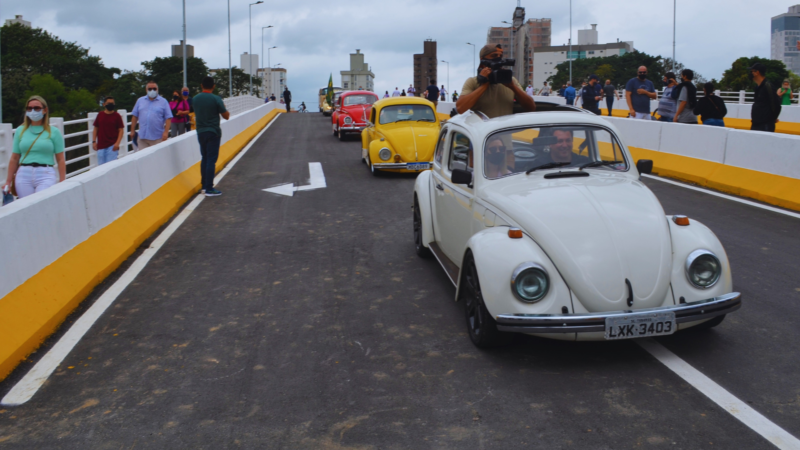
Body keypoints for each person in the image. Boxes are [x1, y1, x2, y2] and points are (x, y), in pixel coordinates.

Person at [3, 96, 65, 198]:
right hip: (23, 173)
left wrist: (63, 181)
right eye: (29, 108)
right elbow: (14, 158)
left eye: (36, 108)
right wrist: (8, 182)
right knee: (25, 207)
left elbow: (60, 159)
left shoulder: (54, 132)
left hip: (45, 173)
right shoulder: (20, 130)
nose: (33, 111)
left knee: (42, 202)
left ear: (45, 110)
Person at [455, 44, 535, 118]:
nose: (498, 58)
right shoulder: (472, 82)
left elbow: (531, 107)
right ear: (483, 60)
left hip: (501, 132)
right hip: (481, 132)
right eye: (494, 55)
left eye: (500, 55)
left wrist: (513, 87)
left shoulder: (510, 80)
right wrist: (484, 85)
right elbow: (461, 108)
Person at [193, 76, 230, 197]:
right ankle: (209, 188)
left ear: (201, 85)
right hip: (213, 132)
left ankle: (204, 186)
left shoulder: (195, 99)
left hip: (200, 132)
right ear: (213, 86)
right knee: (211, 160)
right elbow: (226, 116)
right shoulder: (216, 99)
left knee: (204, 157)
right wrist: (223, 106)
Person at [130, 81, 172, 150]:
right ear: (146, 90)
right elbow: (135, 116)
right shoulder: (140, 100)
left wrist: (166, 132)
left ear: (157, 89)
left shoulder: (163, 101)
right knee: (142, 158)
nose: (152, 90)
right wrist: (132, 130)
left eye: (154, 89)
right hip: (142, 137)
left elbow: (168, 117)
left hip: (157, 137)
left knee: (157, 158)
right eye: (150, 89)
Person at [749, 63, 782, 132]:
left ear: (757, 72)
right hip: (755, 123)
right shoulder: (757, 87)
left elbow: (776, 103)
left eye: (752, 71)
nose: (750, 74)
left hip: (765, 125)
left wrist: (773, 117)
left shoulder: (768, 86)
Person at [92, 96, 125, 165]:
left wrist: (117, 143)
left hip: (112, 146)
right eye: (108, 103)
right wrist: (94, 141)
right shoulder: (100, 114)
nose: (111, 105)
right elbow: (96, 128)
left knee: (111, 166)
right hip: (100, 146)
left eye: (112, 103)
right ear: (104, 104)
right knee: (101, 168)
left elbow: (121, 130)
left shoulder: (117, 116)